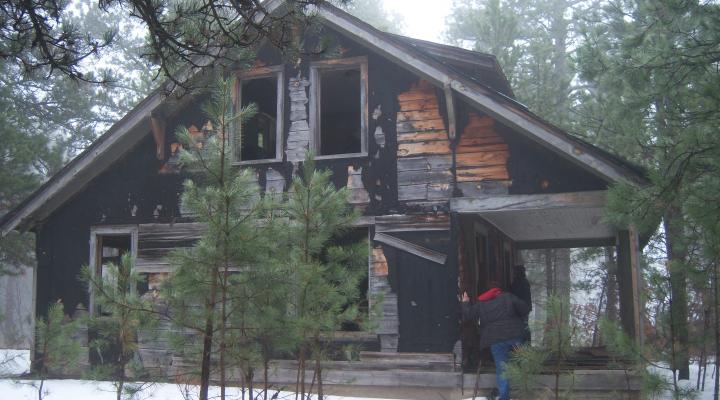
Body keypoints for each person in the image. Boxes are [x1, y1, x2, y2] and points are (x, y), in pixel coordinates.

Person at [461, 283, 529, 400]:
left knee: (502, 368)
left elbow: (468, 314)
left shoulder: (481, 304)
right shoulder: (508, 297)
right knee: (524, 362)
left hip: (496, 340)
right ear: (498, 290)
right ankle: (526, 392)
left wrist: (465, 302)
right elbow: (524, 309)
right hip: (514, 335)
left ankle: (504, 396)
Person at [510, 264, 532, 344]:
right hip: (524, 308)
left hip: (521, 308)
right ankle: (526, 344)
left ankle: (526, 344)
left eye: (515, 271)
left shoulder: (520, 282)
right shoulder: (522, 281)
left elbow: (516, 295)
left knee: (523, 326)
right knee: (524, 326)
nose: (514, 273)